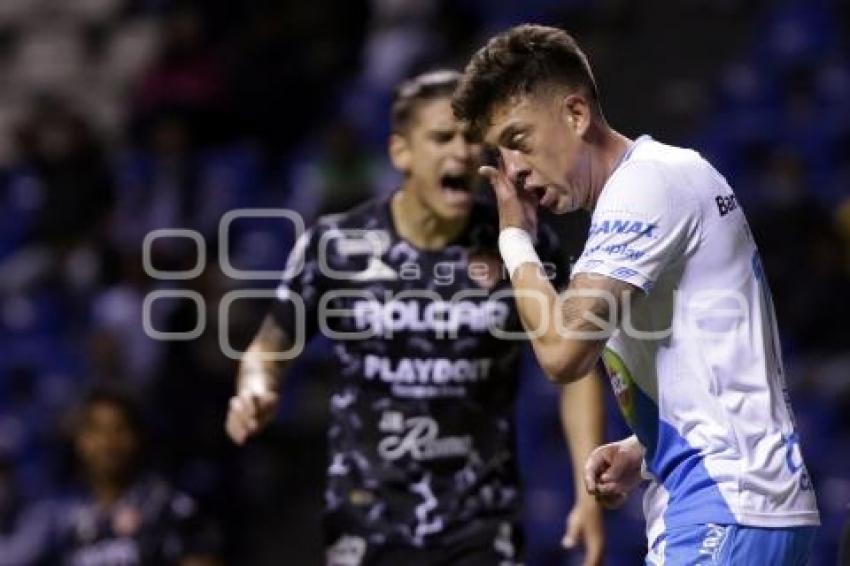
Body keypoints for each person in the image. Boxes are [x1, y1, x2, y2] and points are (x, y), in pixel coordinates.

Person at [452, 24, 820, 565]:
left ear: (575, 114)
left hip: (723, 510)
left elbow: (560, 354)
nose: (513, 173)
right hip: (749, 504)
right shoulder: (665, 179)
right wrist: (645, 451)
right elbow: (719, 365)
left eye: (518, 141)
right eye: (499, 156)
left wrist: (515, 241)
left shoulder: (642, 189)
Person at [225, 69, 606, 565]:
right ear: (400, 152)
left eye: (473, 138)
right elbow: (268, 348)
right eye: (443, 137)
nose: (463, 152)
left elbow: (575, 370)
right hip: (366, 522)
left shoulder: (521, 243)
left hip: (481, 524)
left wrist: (588, 492)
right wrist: (256, 387)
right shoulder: (336, 246)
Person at [49, 389, 222, 566]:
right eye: (96, 430)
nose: (108, 443)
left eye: (119, 429)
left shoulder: (171, 509)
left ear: (138, 436)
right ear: (80, 441)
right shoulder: (66, 522)